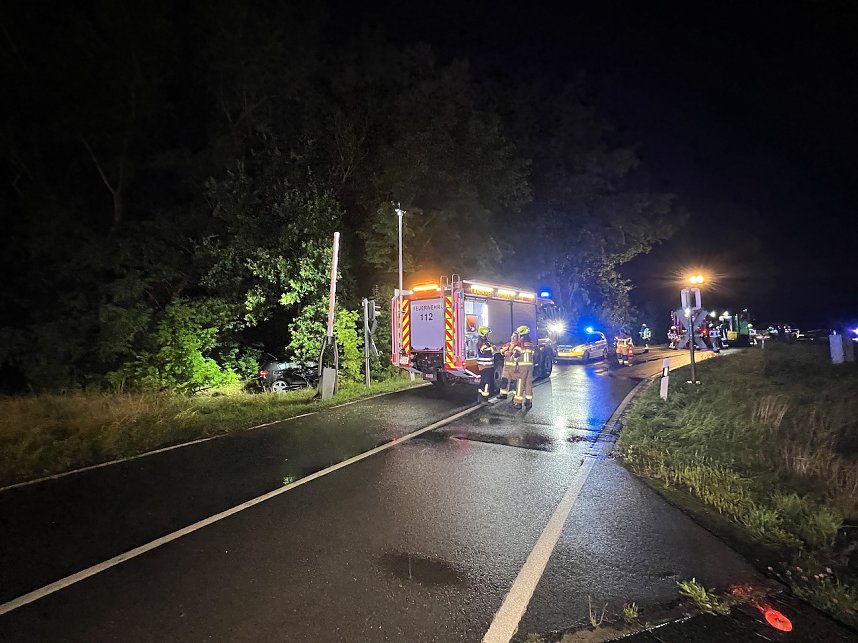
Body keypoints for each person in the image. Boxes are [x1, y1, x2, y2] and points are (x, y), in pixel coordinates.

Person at [510, 325, 535, 409]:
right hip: (530, 366)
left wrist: (513, 356)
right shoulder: (530, 343)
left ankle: (518, 403)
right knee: (528, 384)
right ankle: (528, 402)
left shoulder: (521, 343)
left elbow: (516, 353)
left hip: (522, 367)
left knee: (520, 384)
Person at [497, 332, 521, 400]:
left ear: (517, 338)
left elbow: (517, 353)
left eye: (514, 337)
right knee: (504, 381)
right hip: (506, 367)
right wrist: (504, 352)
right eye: (512, 336)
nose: (513, 338)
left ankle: (515, 397)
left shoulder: (518, 345)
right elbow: (502, 350)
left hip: (514, 368)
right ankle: (503, 394)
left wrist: (510, 353)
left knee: (514, 383)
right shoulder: (508, 344)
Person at [476, 326, 495, 403]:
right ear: (483, 334)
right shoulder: (482, 342)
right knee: (486, 383)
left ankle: (480, 398)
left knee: (483, 382)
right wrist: (490, 348)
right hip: (485, 366)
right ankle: (484, 400)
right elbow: (482, 349)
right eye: (487, 334)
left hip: (486, 366)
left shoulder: (484, 341)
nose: (488, 335)